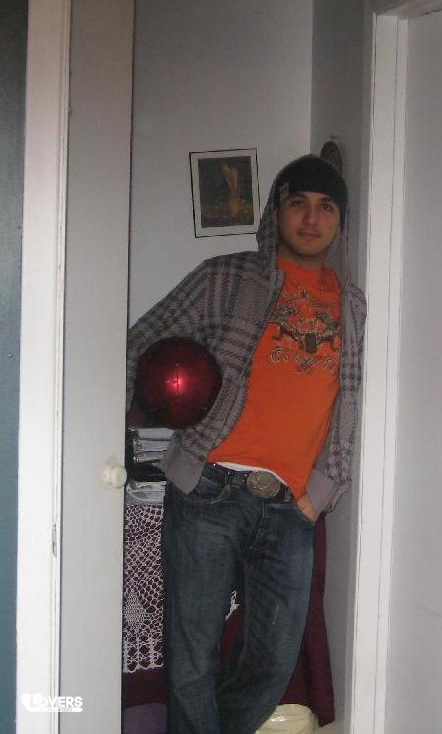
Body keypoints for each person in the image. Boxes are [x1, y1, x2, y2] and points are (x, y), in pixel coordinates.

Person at [126, 154, 366, 734]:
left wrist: (322, 492)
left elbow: (351, 398)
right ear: (276, 212)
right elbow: (141, 343)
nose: (311, 218)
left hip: (290, 506)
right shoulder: (225, 277)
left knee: (272, 661)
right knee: (193, 655)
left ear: (340, 221)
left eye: (326, 207)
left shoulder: (352, 305)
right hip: (210, 487)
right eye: (298, 203)